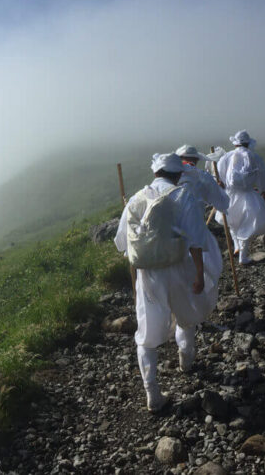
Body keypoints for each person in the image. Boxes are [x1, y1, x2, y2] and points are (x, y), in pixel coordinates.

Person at [114, 153, 218, 412]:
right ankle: (186, 359)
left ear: (156, 173)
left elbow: (121, 243)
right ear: (178, 174)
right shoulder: (183, 197)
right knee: (186, 314)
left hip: (148, 274)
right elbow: (196, 242)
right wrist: (198, 275)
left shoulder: (137, 198)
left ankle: (153, 394)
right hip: (178, 268)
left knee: (147, 333)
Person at [176, 144, 229, 303]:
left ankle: (181, 310)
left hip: (169, 233)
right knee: (205, 268)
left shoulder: (168, 176)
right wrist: (220, 189)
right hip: (196, 230)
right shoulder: (201, 176)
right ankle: (197, 307)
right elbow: (222, 203)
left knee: (177, 272)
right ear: (196, 160)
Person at [215, 130, 265, 265]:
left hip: (230, 194)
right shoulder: (254, 157)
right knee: (247, 224)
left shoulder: (226, 157)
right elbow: (262, 176)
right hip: (248, 194)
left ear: (235, 143)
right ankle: (242, 255)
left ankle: (236, 244)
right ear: (248, 143)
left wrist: (221, 186)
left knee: (232, 221)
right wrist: (263, 191)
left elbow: (220, 177)